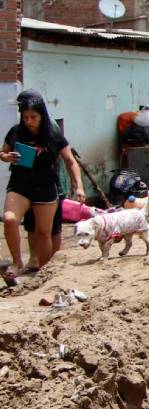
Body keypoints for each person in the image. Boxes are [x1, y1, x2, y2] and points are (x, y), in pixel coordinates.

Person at [1, 90, 84, 281]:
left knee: (44, 232)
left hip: (46, 187)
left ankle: (45, 272)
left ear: (42, 116)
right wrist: (7, 157)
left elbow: (70, 161)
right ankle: (17, 262)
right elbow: (3, 152)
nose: (29, 121)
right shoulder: (15, 131)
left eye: (33, 117)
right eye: (25, 117)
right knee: (10, 219)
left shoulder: (52, 133)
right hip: (20, 185)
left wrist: (78, 185)